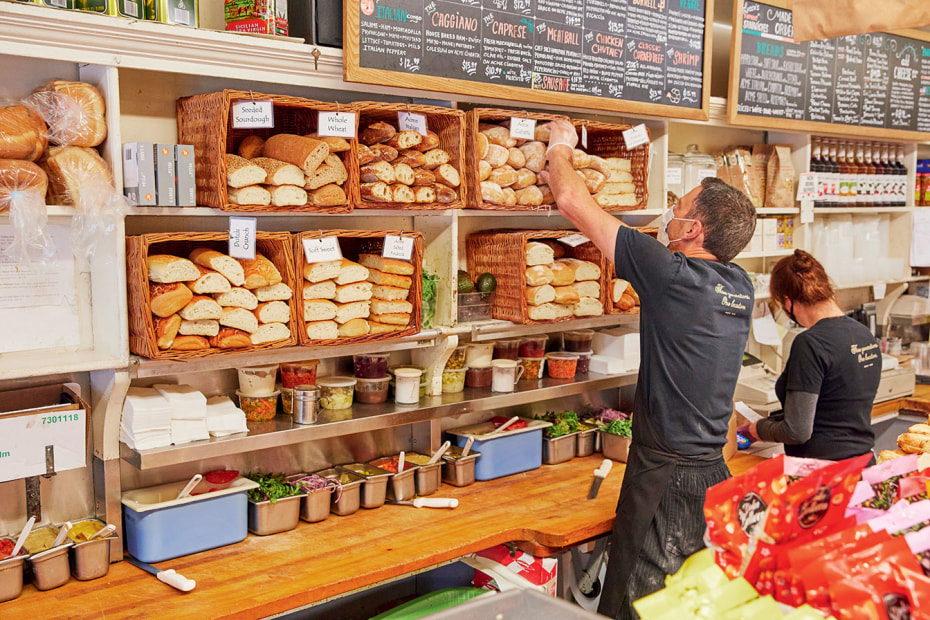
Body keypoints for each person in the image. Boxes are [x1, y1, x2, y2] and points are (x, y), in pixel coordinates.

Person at [544, 120, 757, 619]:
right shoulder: (740, 285)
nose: (669, 213)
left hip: (668, 477)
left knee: (640, 606)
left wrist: (559, 144)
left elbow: (574, 203)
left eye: (677, 207)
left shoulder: (673, 276)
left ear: (691, 230)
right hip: (711, 469)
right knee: (688, 604)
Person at [745, 250, 880, 461]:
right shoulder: (864, 334)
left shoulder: (810, 343)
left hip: (823, 474)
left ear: (788, 301)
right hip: (863, 464)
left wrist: (756, 429)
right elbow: (833, 409)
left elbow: (796, 432)